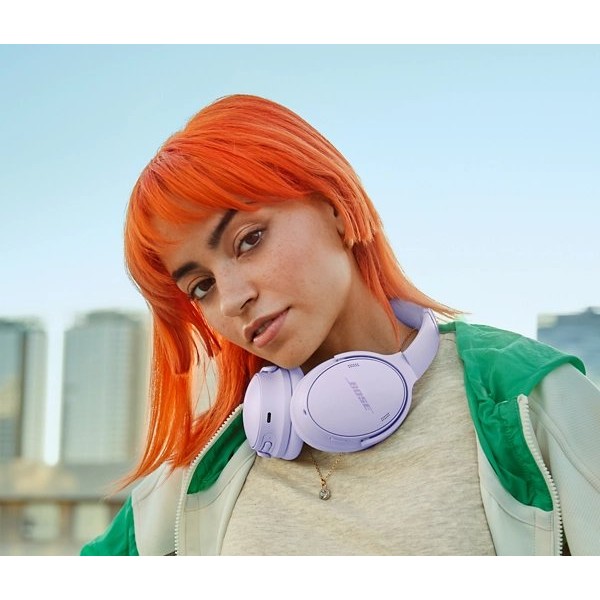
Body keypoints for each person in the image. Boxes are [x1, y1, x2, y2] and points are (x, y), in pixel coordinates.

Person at [81, 94, 600, 556]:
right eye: (202, 286)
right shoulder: (206, 460)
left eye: (249, 239)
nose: (233, 299)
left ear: (334, 207)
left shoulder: (530, 397)